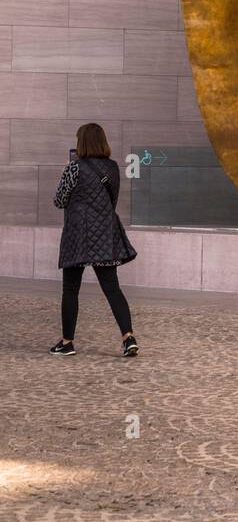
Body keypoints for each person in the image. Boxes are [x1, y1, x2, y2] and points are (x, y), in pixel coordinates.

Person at [50, 123, 139, 357]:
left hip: (77, 234)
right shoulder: (113, 168)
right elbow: (111, 201)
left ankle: (67, 342)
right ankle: (128, 337)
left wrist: (65, 173)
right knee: (112, 288)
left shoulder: (74, 168)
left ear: (81, 143)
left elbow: (59, 200)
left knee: (70, 289)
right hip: (104, 234)